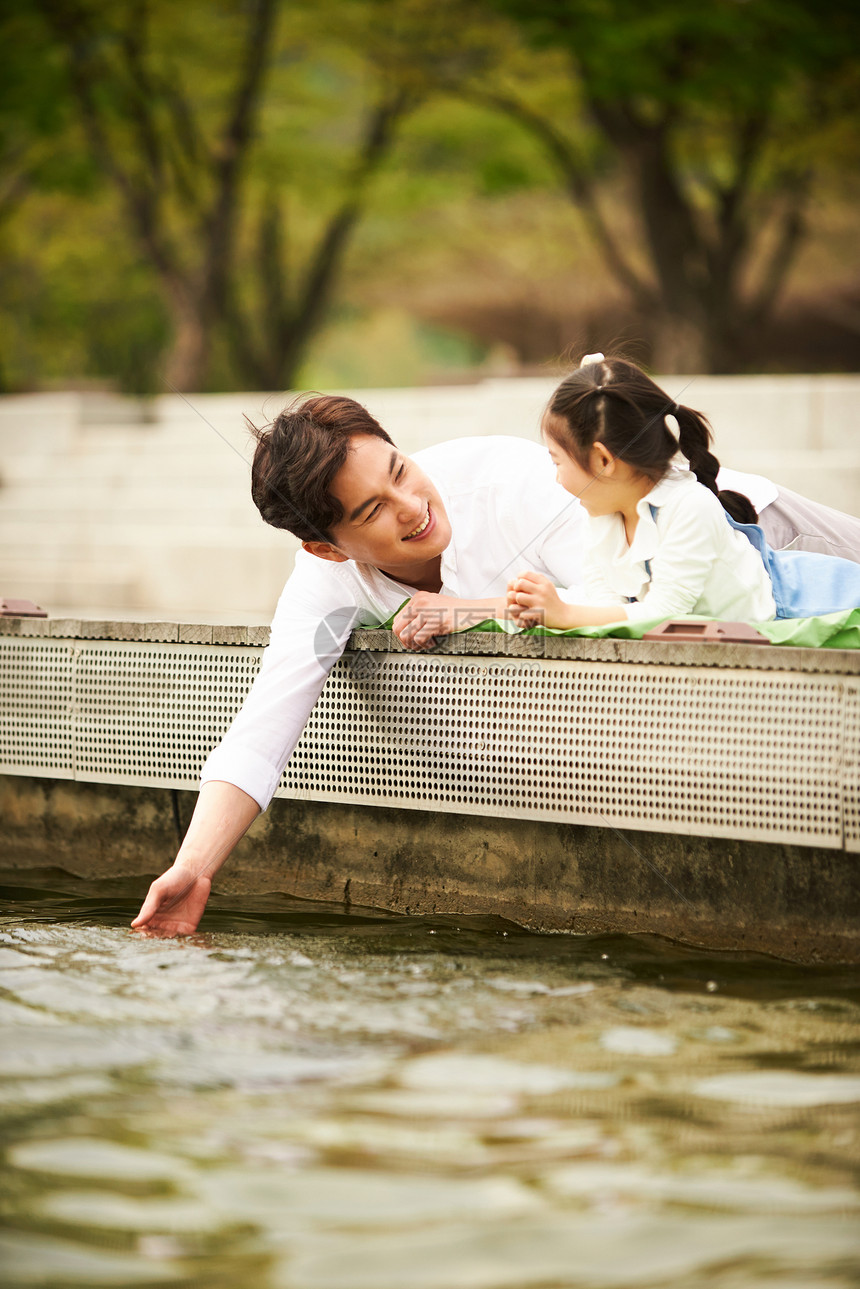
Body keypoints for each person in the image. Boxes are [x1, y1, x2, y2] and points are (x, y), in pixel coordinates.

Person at [132, 385, 860, 936]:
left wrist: (473, 607)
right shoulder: (324, 582)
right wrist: (194, 869)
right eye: (371, 511)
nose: (411, 505)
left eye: (400, 470)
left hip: (758, 539)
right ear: (325, 545)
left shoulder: (509, 486)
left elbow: (643, 600)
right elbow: (265, 724)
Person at [507, 355, 860, 630]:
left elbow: (666, 614)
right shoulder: (602, 515)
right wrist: (546, 608)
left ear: (602, 460)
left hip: (810, 600)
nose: (556, 479)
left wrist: (565, 613)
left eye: (557, 462)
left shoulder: (689, 506)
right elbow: (608, 607)